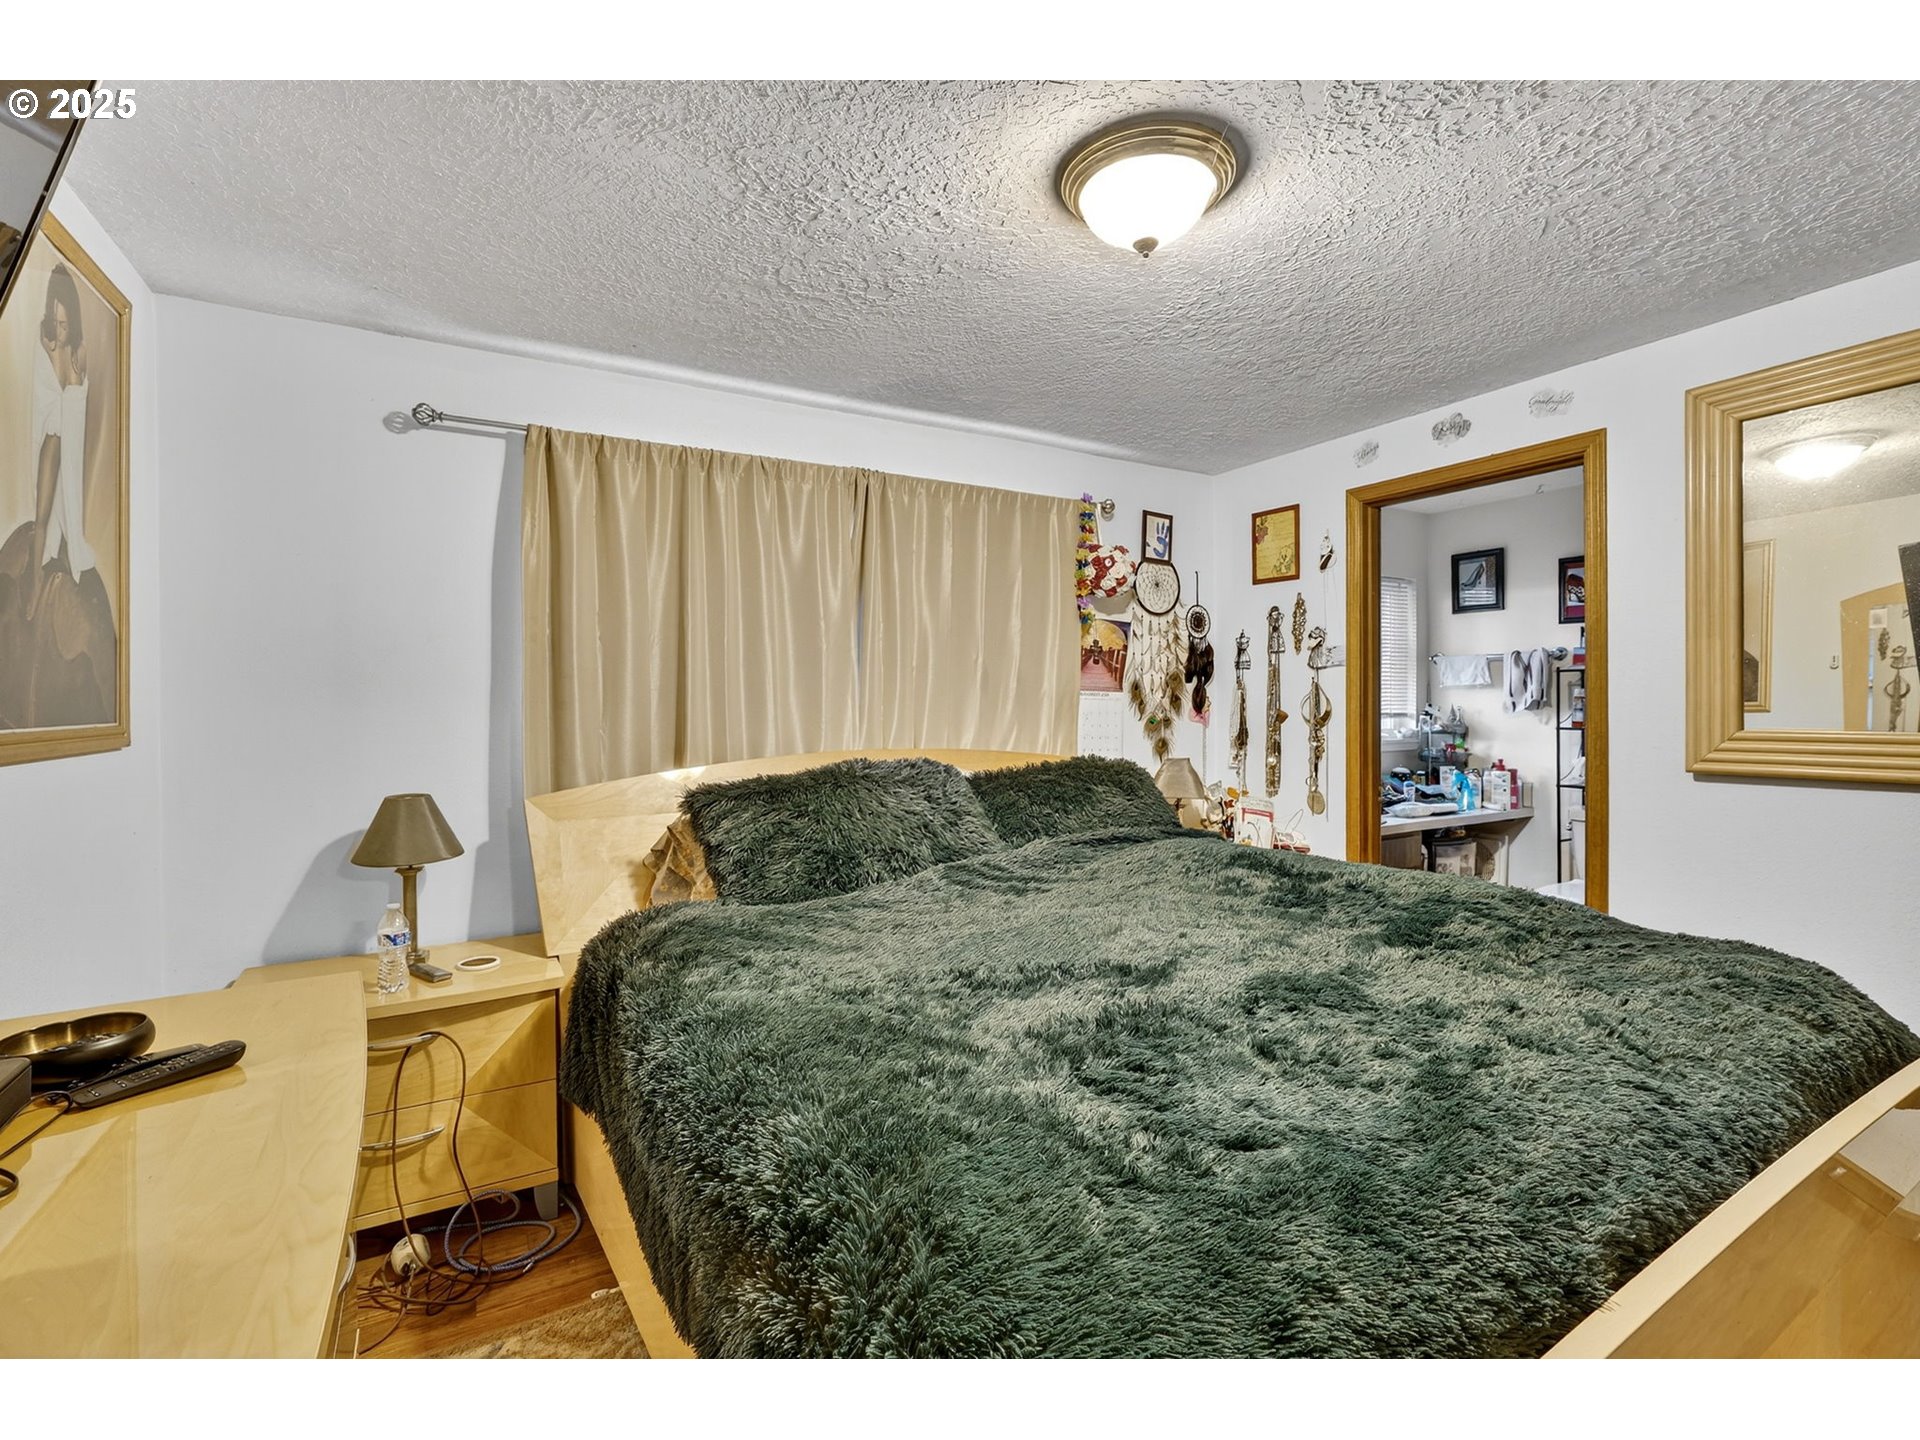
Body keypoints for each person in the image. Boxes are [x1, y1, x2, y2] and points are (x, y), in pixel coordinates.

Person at [28, 262, 94, 617]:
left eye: (65, 324)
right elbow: (45, 398)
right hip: (52, 441)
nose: (60, 330)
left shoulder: (79, 352)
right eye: (55, 323)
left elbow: (78, 405)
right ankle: (34, 583)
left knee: (61, 457)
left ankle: (56, 563)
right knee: (41, 515)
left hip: (69, 445)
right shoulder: (49, 345)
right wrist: (54, 346)